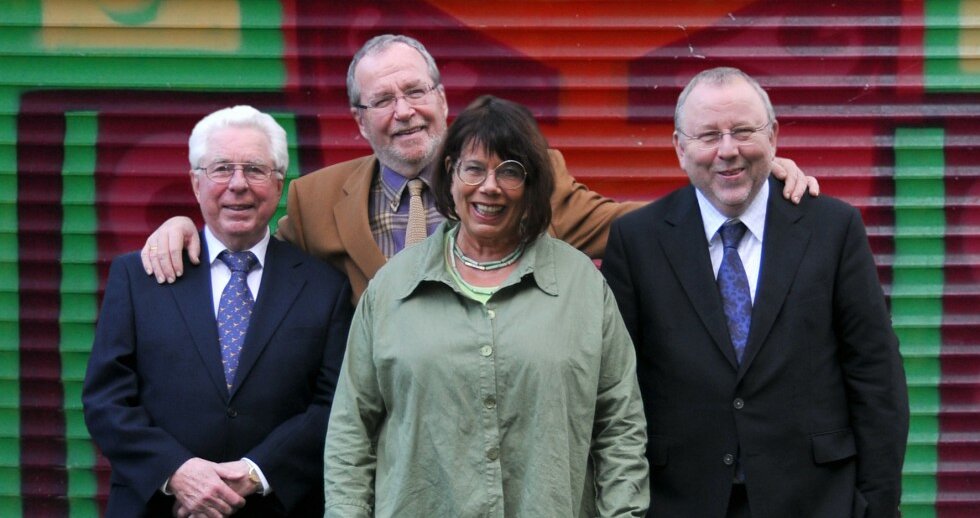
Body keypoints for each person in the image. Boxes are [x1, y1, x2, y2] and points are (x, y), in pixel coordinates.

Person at [139, 34, 818, 303]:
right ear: (358, 119)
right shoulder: (316, 198)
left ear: (442, 98)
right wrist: (185, 228)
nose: (403, 112)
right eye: (382, 100)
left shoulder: (525, 174)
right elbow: (257, 260)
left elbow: (639, 227)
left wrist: (739, 180)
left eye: (415, 92)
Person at [601, 67, 909, 517]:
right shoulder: (637, 241)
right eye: (708, 136)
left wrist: (876, 508)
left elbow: (876, 378)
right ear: (680, 149)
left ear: (774, 136)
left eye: (743, 131)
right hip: (679, 502)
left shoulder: (833, 229)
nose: (728, 151)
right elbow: (614, 390)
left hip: (816, 502)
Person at [323, 95, 649, 517]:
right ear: (450, 174)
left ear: (532, 184)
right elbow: (351, 432)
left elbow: (619, 426)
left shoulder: (581, 285)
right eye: (474, 168)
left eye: (510, 172)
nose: (489, 187)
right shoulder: (393, 287)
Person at [82, 106, 353, 517]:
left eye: (256, 169)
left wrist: (255, 472)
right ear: (195, 182)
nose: (238, 185)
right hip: (158, 506)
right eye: (221, 168)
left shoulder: (324, 286)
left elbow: (333, 404)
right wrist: (178, 471)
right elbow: (106, 400)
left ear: (279, 184)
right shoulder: (139, 276)